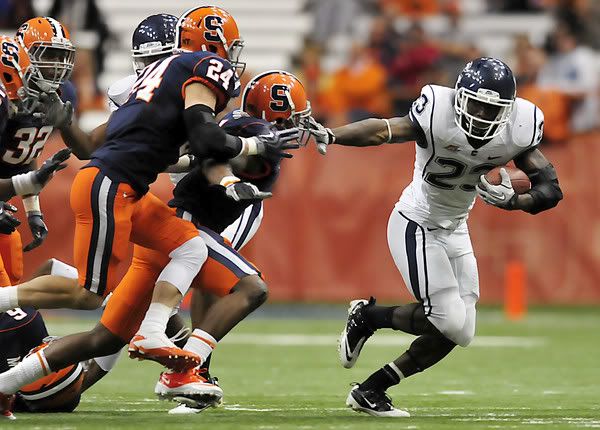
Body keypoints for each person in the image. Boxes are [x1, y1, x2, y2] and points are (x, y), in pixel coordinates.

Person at [0, 6, 300, 419]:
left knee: (184, 253)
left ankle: (151, 333)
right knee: (88, 293)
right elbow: (203, 135)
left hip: (129, 190)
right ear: (212, 48)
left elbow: (97, 145)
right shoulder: (204, 69)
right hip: (112, 185)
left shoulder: (147, 84)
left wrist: (227, 175)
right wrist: (250, 149)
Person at [306, 57, 563, 417]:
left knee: (462, 331)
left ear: (508, 111)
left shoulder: (519, 129)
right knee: (446, 320)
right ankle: (368, 318)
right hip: (416, 221)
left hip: (457, 227)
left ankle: (371, 387)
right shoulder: (436, 113)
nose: (482, 116)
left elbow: (551, 189)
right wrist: (333, 134)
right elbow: (383, 130)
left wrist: (516, 202)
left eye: (492, 109)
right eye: (475, 104)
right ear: (459, 97)